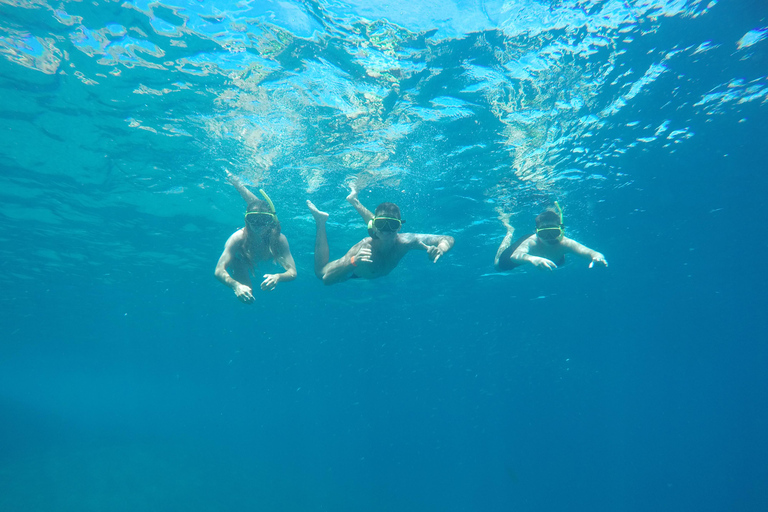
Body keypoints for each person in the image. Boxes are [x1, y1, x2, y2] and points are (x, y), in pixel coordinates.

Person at [306, 186, 455, 285]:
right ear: (376, 227)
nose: (387, 230)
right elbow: (326, 280)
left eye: (393, 225)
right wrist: (352, 262)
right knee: (319, 272)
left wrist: (441, 248)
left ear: (399, 227)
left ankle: (354, 201)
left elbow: (448, 239)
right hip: (356, 273)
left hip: (375, 236)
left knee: (381, 227)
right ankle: (320, 221)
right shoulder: (364, 249)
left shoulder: (407, 241)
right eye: (381, 225)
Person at [215, 172, 297, 303]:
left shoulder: (279, 239)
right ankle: (238, 184)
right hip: (240, 260)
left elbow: (292, 271)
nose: (258, 225)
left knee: (259, 206)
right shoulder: (237, 238)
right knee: (247, 297)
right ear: (247, 220)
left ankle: (238, 185)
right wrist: (235, 285)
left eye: (263, 220)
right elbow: (219, 270)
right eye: (253, 219)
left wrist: (278, 277)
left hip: (263, 253)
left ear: (270, 221)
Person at [494, 202, 607, 271]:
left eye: (554, 232)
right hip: (528, 249)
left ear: (561, 230)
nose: (549, 237)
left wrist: (598, 257)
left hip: (552, 257)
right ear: (537, 232)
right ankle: (509, 231)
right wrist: (532, 259)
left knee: (560, 262)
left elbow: (592, 252)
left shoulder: (566, 243)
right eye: (544, 233)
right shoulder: (531, 241)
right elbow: (515, 256)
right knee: (498, 266)